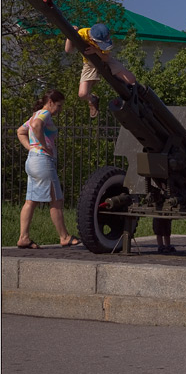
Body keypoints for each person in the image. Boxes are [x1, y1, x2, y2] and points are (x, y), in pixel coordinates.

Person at [15, 89, 80, 249]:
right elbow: (36, 126)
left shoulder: (34, 115)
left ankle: (23, 237)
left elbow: (21, 131)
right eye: (58, 105)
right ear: (50, 102)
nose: (60, 109)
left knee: (31, 201)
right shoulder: (44, 114)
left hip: (32, 161)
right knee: (56, 200)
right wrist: (43, 146)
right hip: (43, 161)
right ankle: (64, 237)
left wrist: (31, 148)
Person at [65, 23, 136, 118]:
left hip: (103, 58)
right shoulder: (83, 34)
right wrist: (70, 35)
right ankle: (93, 99)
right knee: (82, 94)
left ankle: (128, 94)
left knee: (131, 80)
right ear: (93, 38)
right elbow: (68, 50)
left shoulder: (105, 40)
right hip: (89, 63)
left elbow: (106, 58)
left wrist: (96, 51)